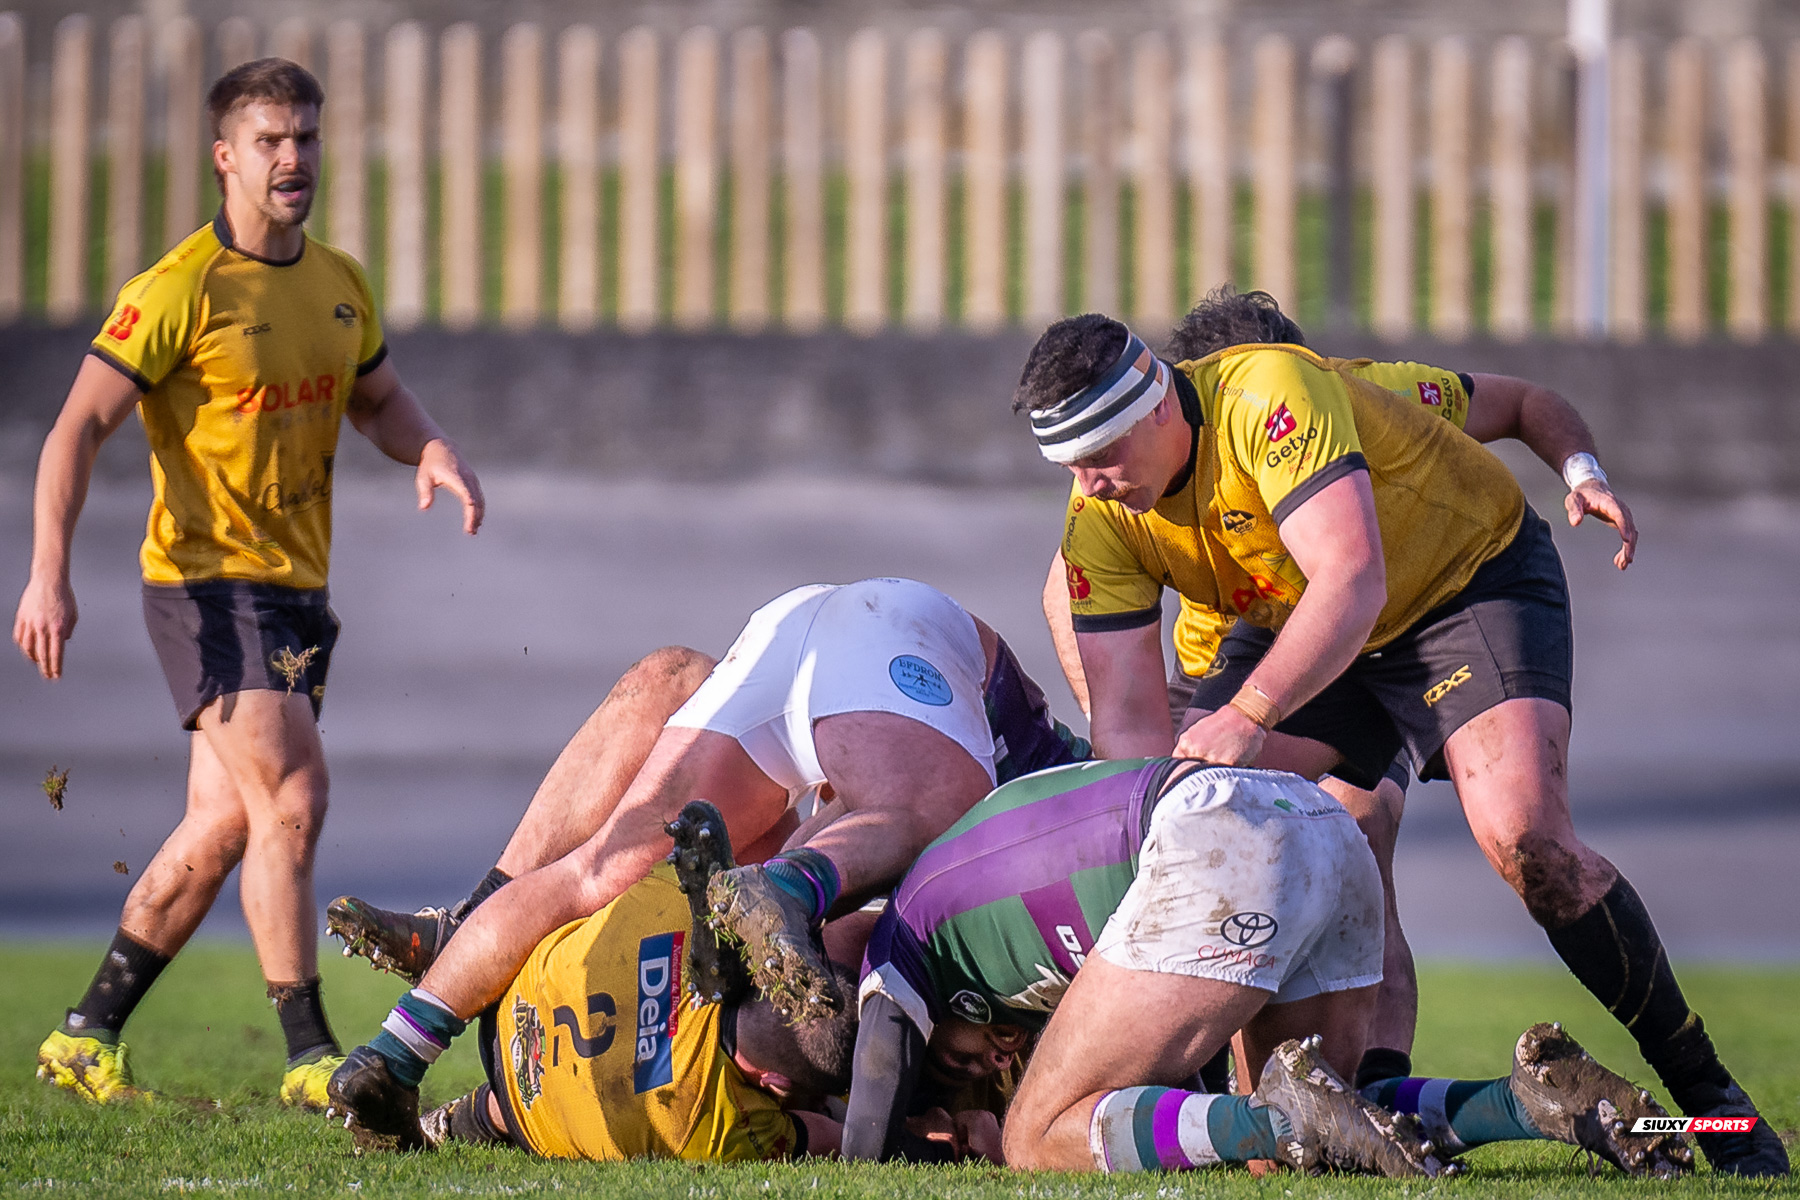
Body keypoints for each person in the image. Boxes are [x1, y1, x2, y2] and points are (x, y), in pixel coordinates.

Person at [1011, 290, 1784, 1176]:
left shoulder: (1279, 394)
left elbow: (1354, 578)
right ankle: (1368, 1103)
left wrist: (1580, 469)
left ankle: (1713, 1099)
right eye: (1069, 465)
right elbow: (1130, 737)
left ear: (1158, 400)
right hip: (1305, 626)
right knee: (1227, 825)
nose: (1088, 484)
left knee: (1527, 839)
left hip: (1462, 588)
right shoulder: (1101, 513)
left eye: (1101, 454)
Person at [15, 58, 483, 1110]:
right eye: (270, 140)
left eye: (305, 137)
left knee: (226, 826)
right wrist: (47, 575)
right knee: (296, 796)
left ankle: (86, 1034)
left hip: (296, 594)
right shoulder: (178, 288)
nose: (292, 158)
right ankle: (310, 1054)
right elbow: (74, 428)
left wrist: (430, 447)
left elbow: (379, 400)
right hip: (206, 585)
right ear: (225, 156)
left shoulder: (338, 281)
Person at [324, 578, 1089, 1140]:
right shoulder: (1042, 906)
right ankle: (781, 890)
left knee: (610, 846)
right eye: (1004, 1042)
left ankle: (400, 1045)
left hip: (817, 640)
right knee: (906, 855)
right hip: (899, 661)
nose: (997, 1056)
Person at [839, 757, 1691, 1178]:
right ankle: (1529, 1102)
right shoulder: (986, 915)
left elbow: (876, 1074)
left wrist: (879, 1160)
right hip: (1315, 822)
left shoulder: (900, 937)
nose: (988, 1062)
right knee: (1316, 1124)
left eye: (954, 1061)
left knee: (1033, 1137)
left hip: (1213, 839)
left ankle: (1284, 1117)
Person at [337, 845, 859, 1160]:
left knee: (595, 892)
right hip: (525, 1107)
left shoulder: (682, 900)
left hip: (509, 989)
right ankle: (455, 1121)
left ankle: (457, 941)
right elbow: (839, 1138)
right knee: (600, 1092)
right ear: (776, 1082)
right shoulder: (721, 1129)